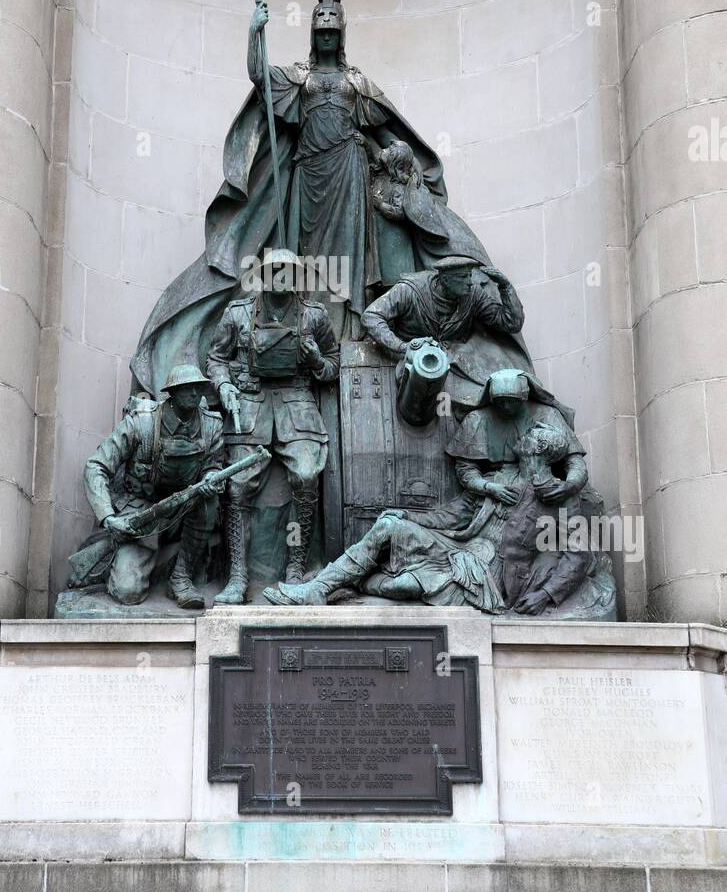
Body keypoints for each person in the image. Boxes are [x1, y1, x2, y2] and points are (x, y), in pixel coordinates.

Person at [130, 0, 490, 396]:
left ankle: (352, 333)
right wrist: (254, 35)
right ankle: (313, 330)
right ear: (312, 35)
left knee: (350, 261)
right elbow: (261, 79)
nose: (325, 37)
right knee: (308, 259)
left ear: (340, 36)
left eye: (332, 33)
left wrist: (398, 159)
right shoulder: (299, 78)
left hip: (350, 177)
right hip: (308, 176)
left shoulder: (356, 84)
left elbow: (389, 134)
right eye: (320, 32)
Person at [264, 369, 606, 618]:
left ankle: (348, 585)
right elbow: (453, 514)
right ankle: (319, 589)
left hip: (490, 575)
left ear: (538, 452)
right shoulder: (499, 479)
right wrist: (406, 515)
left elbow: (579, 556)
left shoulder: (561, 500)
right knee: (389, 526)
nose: (518, 441)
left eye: (526, 442)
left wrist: (546, 594)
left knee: (405, 588)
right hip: (458, 548)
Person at [206, 248, 339, 603]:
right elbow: (216, 358)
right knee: (237, 486)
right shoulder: (238, 314)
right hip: (250, 404)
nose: (281, 276)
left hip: (297, 404)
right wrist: (225, 386)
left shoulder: (314, 316)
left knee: (307, 476)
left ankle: (295, 566)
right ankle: (237, 578)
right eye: (274, 270)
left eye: (289, 270)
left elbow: (333, 367)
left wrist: (315, 360)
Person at [74, 367, 225, 610]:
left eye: (198, 387)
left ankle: (181, 578)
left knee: (209, 503)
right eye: (188, 388)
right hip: (141, 513)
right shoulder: (141, 423)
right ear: (172, 393)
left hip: (184, 510)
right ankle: (114, 562)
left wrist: (211, 477)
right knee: (127, 592)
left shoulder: (211, 426)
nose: (195, 393)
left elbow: (214, 465)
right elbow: (96, 466)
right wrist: (109, 518)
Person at [362, 255, 530, 411]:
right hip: (413, 364)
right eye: (463, 277)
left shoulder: (473, 295)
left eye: (470, 276)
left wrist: (505, 287)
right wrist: (403, 347)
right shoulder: (410, 290)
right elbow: (371, 316)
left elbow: (511, 322)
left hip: (458, 364)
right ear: (445, 280)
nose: (470, 282)